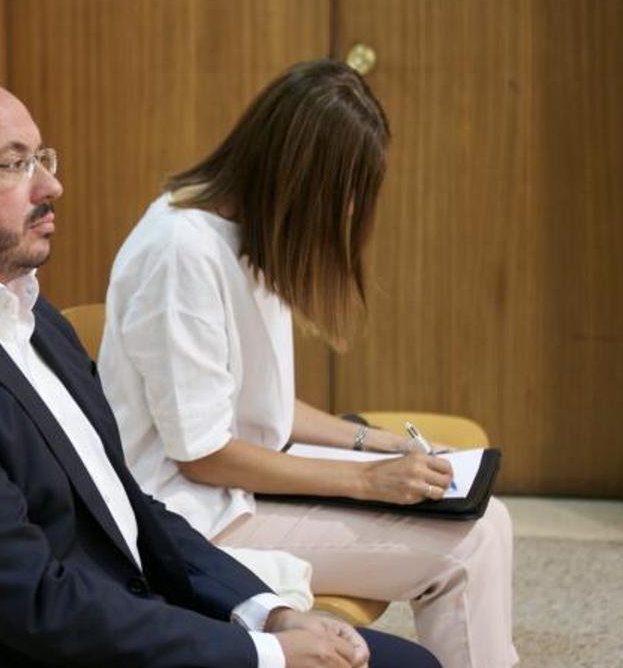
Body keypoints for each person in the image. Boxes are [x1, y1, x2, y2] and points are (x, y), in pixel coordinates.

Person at [0, 73, 438, 667]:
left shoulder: (22, 309)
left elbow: (126, 504)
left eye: (44, 157)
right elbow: (31, 603)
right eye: (14, 164)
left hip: (107, 614)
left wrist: (268, 610)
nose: (50, 186)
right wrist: (263, 654)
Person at [98, 60, 516, 668]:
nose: (346, 215)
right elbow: (202, 452)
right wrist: (367, 482)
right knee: (470, 544)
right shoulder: (182, 253)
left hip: (238, 485)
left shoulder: (244, 233)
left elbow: (259, 404)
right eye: (344, 197)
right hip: (190, 513)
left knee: (486, 517)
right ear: (298, 181)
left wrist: (378, 445)